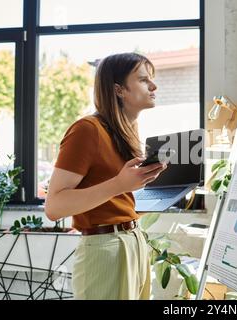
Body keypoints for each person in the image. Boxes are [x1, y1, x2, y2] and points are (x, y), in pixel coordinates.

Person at [44, 52, 167, 300]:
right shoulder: (87, 130)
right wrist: (119, 184)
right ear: (119, 90)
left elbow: (115, 201)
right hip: (105, 248)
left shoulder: (126, 134)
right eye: (144, 80)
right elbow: (54, 207)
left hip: (133, 241)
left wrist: (158, 191)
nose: (154, 86)